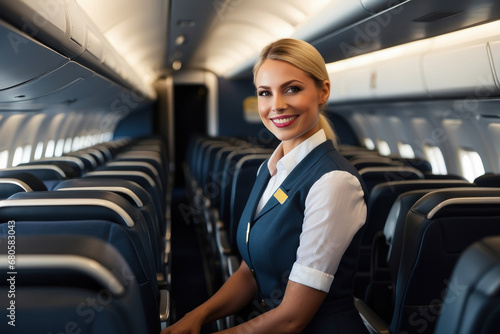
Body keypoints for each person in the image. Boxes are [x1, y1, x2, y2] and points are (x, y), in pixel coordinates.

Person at [162, 38, 369, 334]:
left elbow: (292, 318)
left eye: (292, 89)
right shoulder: (269, 169)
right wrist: (197, 316)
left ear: (323, 92)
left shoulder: (334, 182)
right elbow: (250, 272)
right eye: (265, 93)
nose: (277, 106)